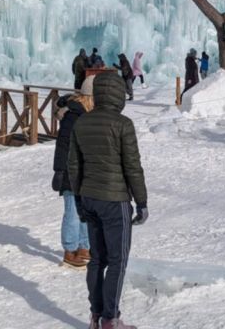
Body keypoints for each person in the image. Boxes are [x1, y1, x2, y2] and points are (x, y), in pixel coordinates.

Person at [68, 73, 147, 329]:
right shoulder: (123, 124)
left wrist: (79, 199)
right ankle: (110, 319)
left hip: (89, 197)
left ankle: (95, 315)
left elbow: (74, 165)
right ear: (118, 94)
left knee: (97, 259)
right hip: (115, 200)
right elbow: (132, 167)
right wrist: (142, 202)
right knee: (117, 260)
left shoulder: (82, 123)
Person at [52, 76, 95, 269]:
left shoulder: (87, 113)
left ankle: (84, 247)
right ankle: (70, 250)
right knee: (72, 211)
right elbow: (63, 145)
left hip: (85, 169)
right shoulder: (73, 115)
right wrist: (59, 170)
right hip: (70, 170)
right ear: (89, 96)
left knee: (85, 210)